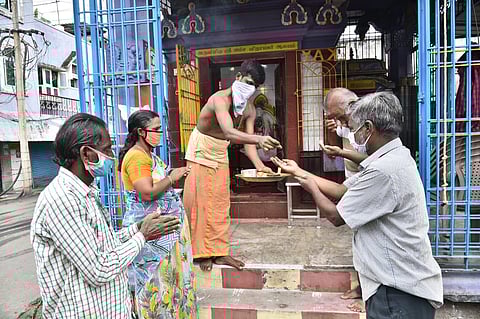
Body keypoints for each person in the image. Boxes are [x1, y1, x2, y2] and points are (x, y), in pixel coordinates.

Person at [272, 92, 443, 319]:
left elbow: (335, 216)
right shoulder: (396, 157)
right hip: (400, 287)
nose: (350, 133)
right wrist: (300, 172)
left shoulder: (383, 171)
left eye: (352, 127)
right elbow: (343, 190)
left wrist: (308, 185)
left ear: (368, 128)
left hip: (397, 294)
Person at [30, 113, 180, 318]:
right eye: (107, 149)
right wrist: (142, 236)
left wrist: (137, 228)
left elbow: (103, 245)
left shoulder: (86, 192)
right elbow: (99, 269)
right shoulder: (62, 199)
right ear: (86, 154)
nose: (112, 156)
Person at [183, 59, 282, 271]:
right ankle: (201, 254)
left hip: (220, 152)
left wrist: (260, 165)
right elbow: (229, 132)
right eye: (247, 82)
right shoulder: (219, 99)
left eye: (253, 86)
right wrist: (259, 138)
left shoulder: (249, 109)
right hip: (201, 150)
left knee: (220, 203)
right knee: (200, 204)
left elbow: (247, 143)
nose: (249, 88)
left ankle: (220, 252)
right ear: (237, 78)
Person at [118, 110, 197, 318]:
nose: (160, 133)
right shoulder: (136, 156)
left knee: (168, 284)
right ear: (141, 132)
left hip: (164, 234)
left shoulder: (147, 155)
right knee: (154, 286)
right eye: (156, 129)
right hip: (152, 235)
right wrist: (172, 177)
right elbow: (146, 192)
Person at [323, 88, 367, 312]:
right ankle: (362, 288)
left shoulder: (368, 126)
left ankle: (368, 294)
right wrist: (332, 132)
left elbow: (372, 160)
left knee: (370, 243)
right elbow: (333, 150)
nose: (340, 122)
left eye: (339, 117)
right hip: (351, 187)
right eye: (334, 118)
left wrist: (307, 181)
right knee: (360, 242)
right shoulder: (347, 126)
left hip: (369, 188)